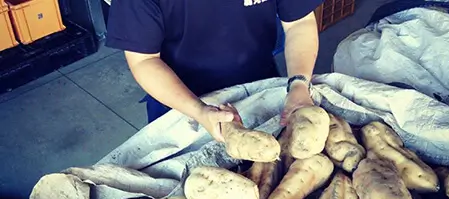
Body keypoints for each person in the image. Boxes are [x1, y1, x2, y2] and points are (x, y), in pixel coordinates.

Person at [105, 0, 322, 142]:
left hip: (260, 92)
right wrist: (199, 110)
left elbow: (298, 23)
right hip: (179, 105)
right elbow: (144, 61)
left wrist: (299, 83)